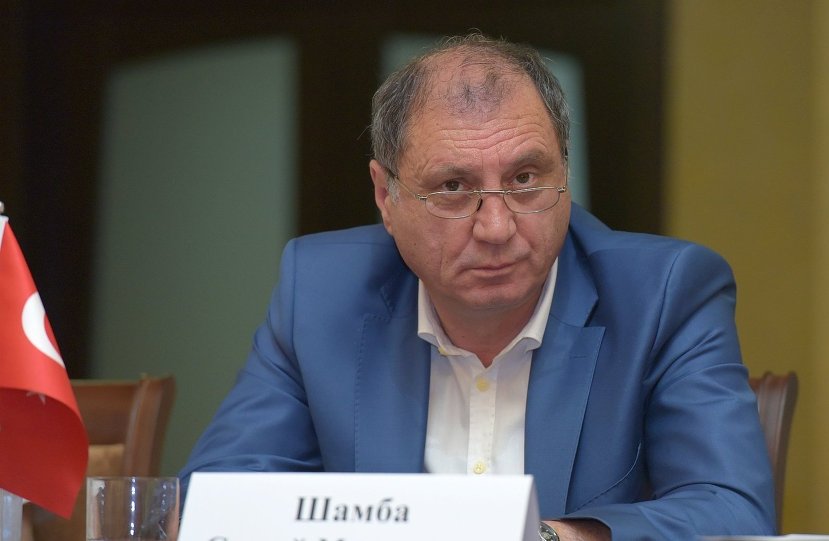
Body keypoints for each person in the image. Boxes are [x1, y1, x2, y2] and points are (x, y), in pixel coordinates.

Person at [179, 32, 775, 540]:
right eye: (453, 188)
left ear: (565, 173)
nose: (496, 227)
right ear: (386, 196)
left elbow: (732, 512)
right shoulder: (320, 290)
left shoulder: (664, 295)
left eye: (525, 178)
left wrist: (545, 538)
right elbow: (215, 501)